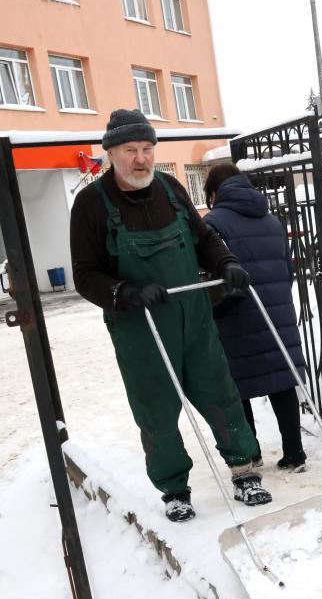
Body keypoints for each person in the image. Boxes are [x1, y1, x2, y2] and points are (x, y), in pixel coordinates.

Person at [70, 109, 272, 522]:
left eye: (147, 149)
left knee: (220, 394)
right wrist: (124, 292)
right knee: (156, 411)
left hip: (194, 319)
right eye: (130, 150)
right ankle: (174, 489)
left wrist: (226, 262)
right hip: (140, 327)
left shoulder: (170, 188)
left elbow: (203, 238)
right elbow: (85, 275)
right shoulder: (91, 204)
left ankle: (245, 471)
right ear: (111, 153)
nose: (141, 159)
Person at [204, 163, 309, 472]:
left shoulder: (213, 223)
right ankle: (295, 453)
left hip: (236, 315)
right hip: (277, 312)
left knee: (239, 385)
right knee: (281, 380)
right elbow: (287, 269)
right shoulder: (273, 221)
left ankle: (251, 454)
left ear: (214, 193)